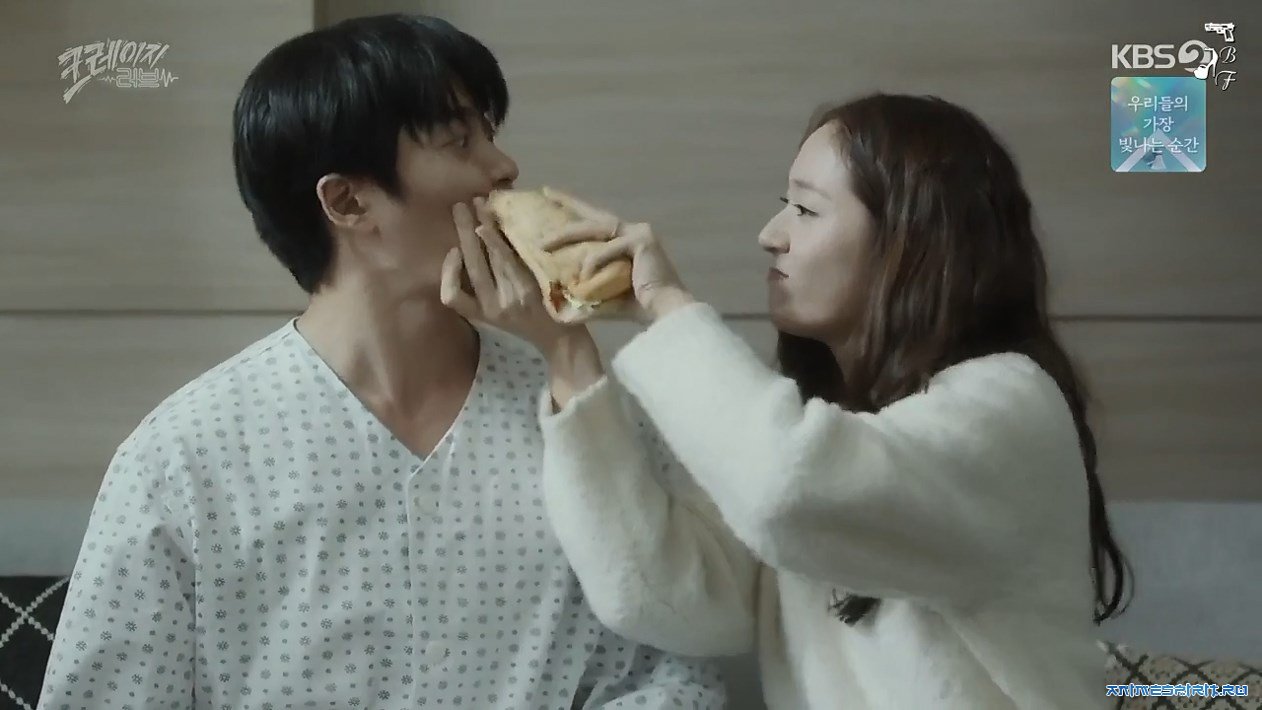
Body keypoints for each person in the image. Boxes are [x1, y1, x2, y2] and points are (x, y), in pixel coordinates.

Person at [38, 14, 726, 710]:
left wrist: (569, 342)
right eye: (459, 140)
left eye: (489, 133)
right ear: (347, 200)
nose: (504, 167)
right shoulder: (182, 461)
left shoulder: (583, 406)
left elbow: (679, 674)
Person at [443, 94, 1131, 709]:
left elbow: (787, 489)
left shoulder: (1011, 404)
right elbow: (667, 598)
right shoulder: (839, 433)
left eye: (805, 209)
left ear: (913, 241)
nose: (770, 234)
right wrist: (566, 351)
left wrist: (665, 303)